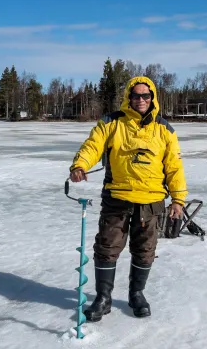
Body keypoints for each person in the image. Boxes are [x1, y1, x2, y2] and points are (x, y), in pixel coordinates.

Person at [69, 76, 187, 321]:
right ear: (128, 98)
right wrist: (80, 165)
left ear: (152, 98)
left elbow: (174, 167)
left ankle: (137, 294)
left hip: (152, 201)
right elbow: (93, 146)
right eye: (136, 95)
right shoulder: (111, 123)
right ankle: (103, 298)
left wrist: (178, 199)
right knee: (106, 248)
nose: (141, 100)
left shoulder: (165, 129)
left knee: (144, 250)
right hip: (117, 197)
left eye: (146, 96)